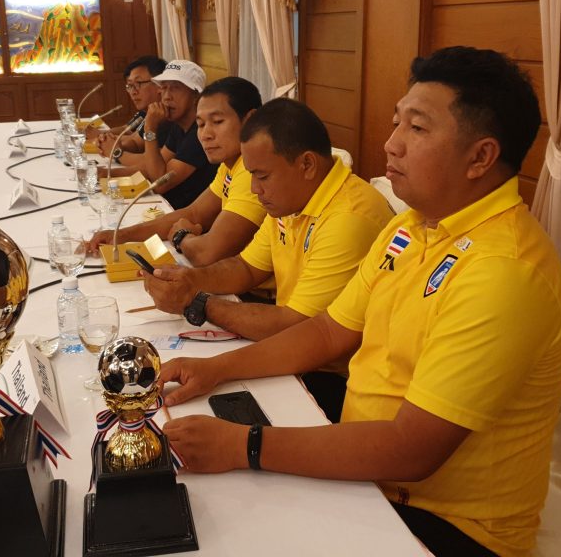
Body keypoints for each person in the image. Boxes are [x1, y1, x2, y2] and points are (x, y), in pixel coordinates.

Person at [158, 47, 561, 557]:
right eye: (397, 122)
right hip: (371, 477)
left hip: (447, 523)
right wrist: (216, 369)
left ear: (481, 157)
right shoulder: (411, 227)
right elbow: (328, 331)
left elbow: (410, 450)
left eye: (416, 128)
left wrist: (242, 445)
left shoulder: (504, 272)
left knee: (223, 528)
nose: (390, 143)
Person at [143, 98, 392, 420]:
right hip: (291, 350)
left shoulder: (349, 218)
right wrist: (187, 279)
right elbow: (246, 267)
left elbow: (296, 326)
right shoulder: (293, 198)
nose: (255, 189)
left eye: (262, 176)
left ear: (307, 165)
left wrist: (195, 302)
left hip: (332, 376)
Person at [88, 76, 265, 267]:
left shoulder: (251, 171)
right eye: (201, 124)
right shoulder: (230, 163)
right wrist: (119, 235)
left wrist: (181, 235)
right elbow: (194, 213)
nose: (206, 135)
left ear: (250, 121)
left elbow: (206, 253)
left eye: (217, 121)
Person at [134, 60, 218, 209]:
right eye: (164, 88)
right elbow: (152, 167)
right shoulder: (178, 126)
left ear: (196, 96)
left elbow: (160, 183)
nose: (166, 97)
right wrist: (106, 173)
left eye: (175, 88)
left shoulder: (200, 133)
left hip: (185, 215)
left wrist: (150, 128)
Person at [94, 56, 172, 169]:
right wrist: (108, 143)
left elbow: (154, 163)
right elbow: (135, 142)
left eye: (138, 83)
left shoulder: (170, 117)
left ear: (160, 85)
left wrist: (116, 152)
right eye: (130, 86)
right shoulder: (152, 112)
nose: (133, 92)